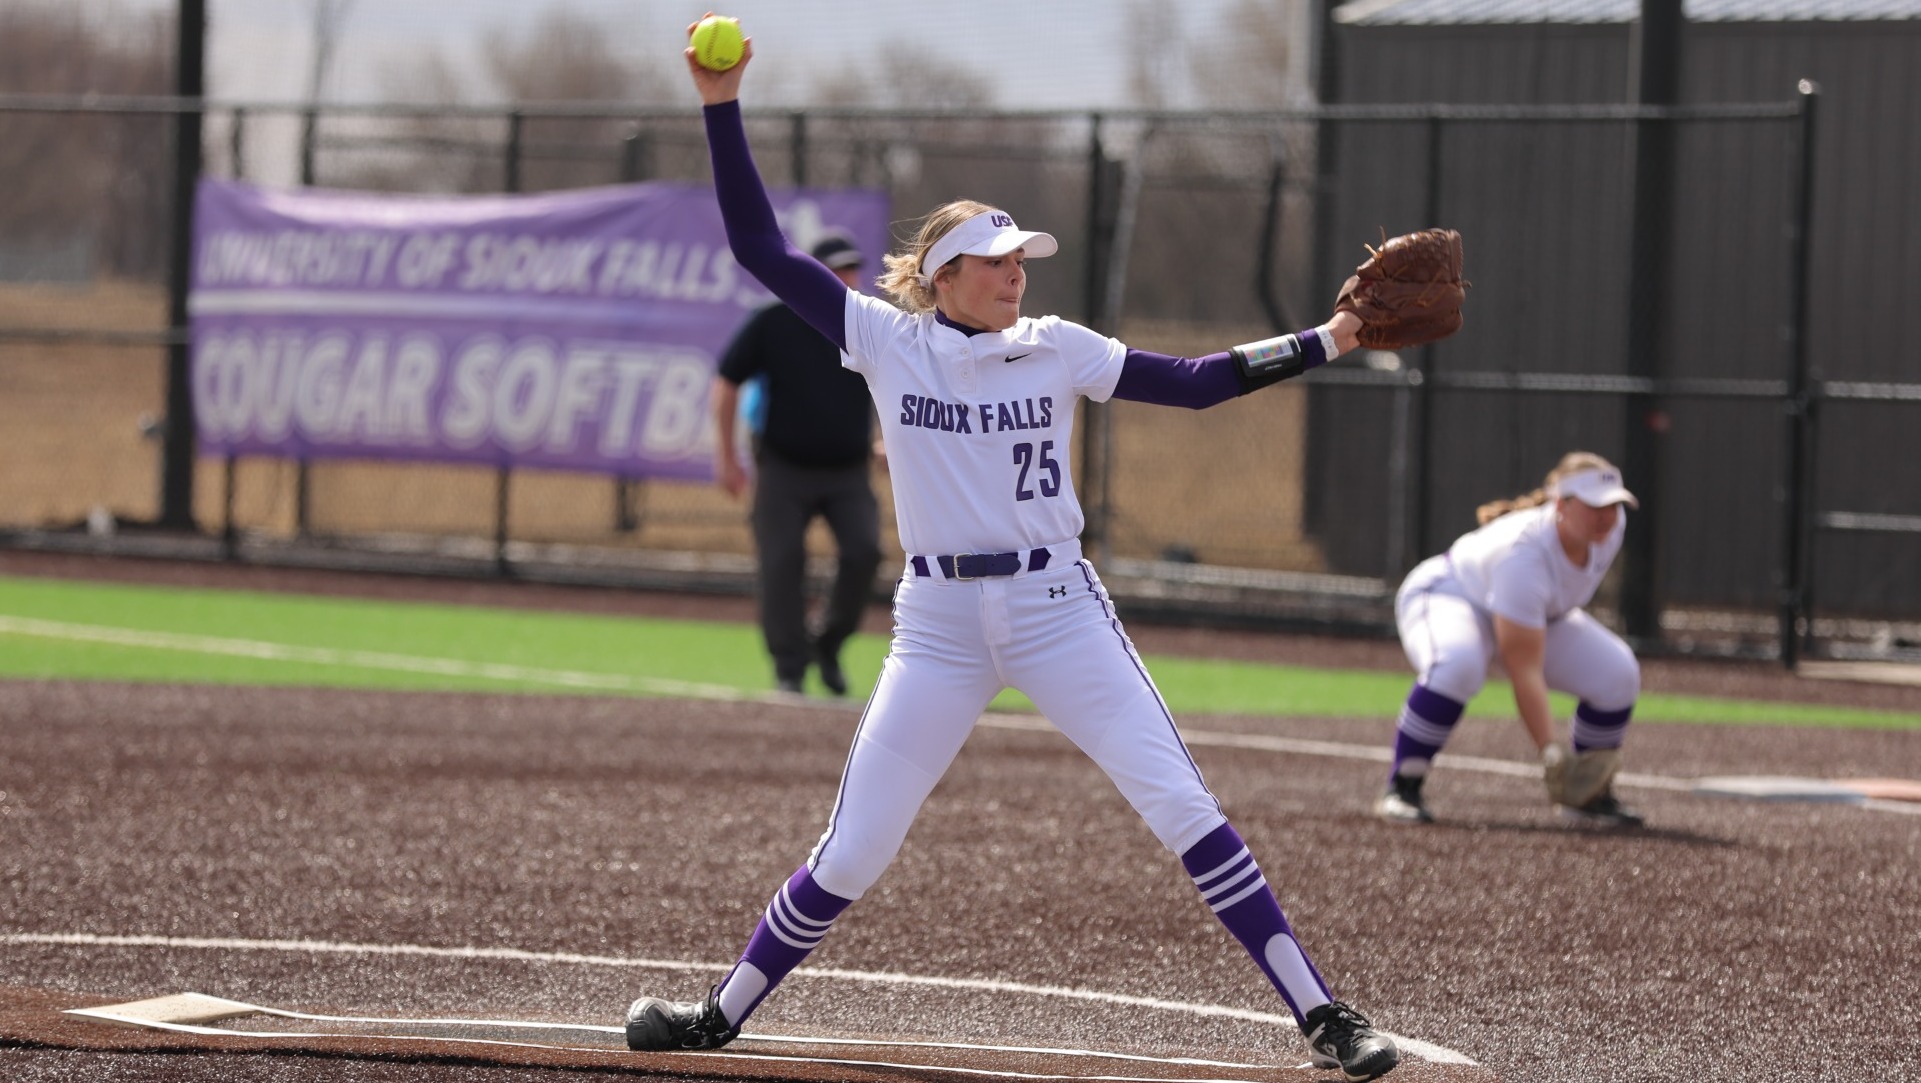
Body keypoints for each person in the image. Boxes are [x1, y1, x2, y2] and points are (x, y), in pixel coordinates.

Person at [626, 22, 1400, 1081]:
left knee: (1181, 805)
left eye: (1019, 259)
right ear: (942, 278)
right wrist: (719, 104)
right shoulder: (885, 342)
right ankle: (720, 1012)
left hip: (1057, 611)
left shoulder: (1058, 349)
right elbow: (760, 251)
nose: (1014, 275)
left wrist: (1326, 340)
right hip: (938, 627)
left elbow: (1196, 382)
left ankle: (1324, 1018)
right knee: (855, 848)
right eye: (992, 262)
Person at [1374, 451, 1645, 829]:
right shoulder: (1524, 555)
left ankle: (1588, 796)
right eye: (1594, 506)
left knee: (1619, 673)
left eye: (1614, 505)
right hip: (1450, 596)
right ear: (1561, 505)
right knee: (1459, 664)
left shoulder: (1611, 530)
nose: (1606, 515)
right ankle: (1403, 786)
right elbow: (1524, 669)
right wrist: (1549, 749)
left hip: (1536, 615)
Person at [712, 232, 883, 696]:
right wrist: (728, 457)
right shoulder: (773, 323)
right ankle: (789, 665)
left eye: (853, 270)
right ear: (815, 276)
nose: (849, 279)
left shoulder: (867, 328)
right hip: (784, 470)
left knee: (864, 551)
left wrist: (886, 445)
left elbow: (901, 388)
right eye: (839, 270)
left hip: (848, 471)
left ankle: (827, 644)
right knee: (782, 560)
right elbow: (727, 382)